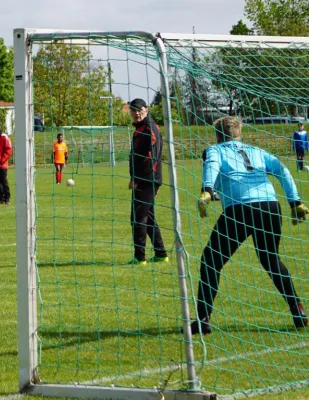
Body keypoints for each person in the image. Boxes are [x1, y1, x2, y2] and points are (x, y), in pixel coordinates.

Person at [193, 116, 308, 335]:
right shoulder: (256, 151)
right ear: (239, 132)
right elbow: (282, 169)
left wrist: (206, 189)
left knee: (211, 260)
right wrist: (295, 202)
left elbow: (213, 166)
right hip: (270, 206)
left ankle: (202, 319)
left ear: (218, 135)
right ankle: (298, 309)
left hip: (241, 209)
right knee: (271, 259)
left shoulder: (215, 150)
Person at [127, 98, 168, 265]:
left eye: (139, 110)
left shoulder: (149, 128)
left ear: (146, 109)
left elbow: (150, 158)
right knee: (148, 217)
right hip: (148, 179)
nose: (136, 113)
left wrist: (140, 179)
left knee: (138, 217)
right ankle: (160, 253)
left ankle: (139, 257)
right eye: (133, 110)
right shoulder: (142, 128)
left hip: (146, 179)